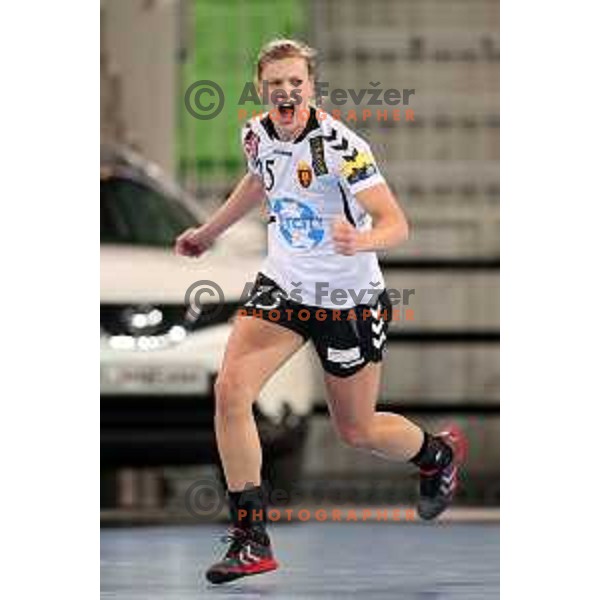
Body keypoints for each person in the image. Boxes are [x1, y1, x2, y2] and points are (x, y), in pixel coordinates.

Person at [175, 39, 466, 585]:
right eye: (274, 84)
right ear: (262, 89)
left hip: (346, 299)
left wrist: (363, 239)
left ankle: (437, 454)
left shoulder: (341, 146)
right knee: (231, 391)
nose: (285, 92)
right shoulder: (256, 132)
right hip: (284, 287)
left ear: (311, 87)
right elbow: (260, 179)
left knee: (355, 429)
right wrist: (209, 233)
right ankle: (250, 538)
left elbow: (396, 223)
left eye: (295, 83)